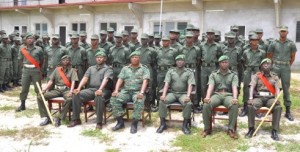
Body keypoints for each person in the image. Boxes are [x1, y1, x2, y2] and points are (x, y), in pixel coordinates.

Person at [68, 51, 113, 129]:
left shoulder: (108, 69)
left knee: (99, 97)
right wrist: (78, 88)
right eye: (97, 57)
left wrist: (100, 89)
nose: (99, 59)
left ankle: (99, 122)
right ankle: (76, 119)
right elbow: (85, 78)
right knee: (76, 94)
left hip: (104, 90)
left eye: (101, 57)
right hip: (91, 89)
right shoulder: (91, 68)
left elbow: (106, 79)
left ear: (104, 59)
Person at [110, 51, 150, 134]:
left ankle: (134, 124)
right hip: (126, 91)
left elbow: (145, 81)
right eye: (133, 57)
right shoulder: (125, 69)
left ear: (139, 58)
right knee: (114, 98)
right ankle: (120, 122)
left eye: (136, 57)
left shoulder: (144, 69)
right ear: (130, 59)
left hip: (137, 92)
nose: (134, 59)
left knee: (139, 101)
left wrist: (142, 92)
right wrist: (116, 90)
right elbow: (120, 80)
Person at [202, 55, 239, 139]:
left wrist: (235, 98)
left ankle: (231, 129)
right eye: (223, 62)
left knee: (234, 105)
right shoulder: (214, 74)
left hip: (228, 95)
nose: (224, 64)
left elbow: (234, 87)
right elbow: (210, 86)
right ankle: (207, 129)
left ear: (228, 63)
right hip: (217, 95)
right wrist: (207, 97)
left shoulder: (233, 75)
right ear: (219, 64)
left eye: (226, 62)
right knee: (206, 105)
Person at [156, 54, 195, 134]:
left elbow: (190, 85)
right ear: (175, 62)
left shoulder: (189, 72)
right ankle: (163, 124)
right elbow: (166, 83)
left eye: (181, 60)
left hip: (183, 93)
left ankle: (185, 125)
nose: (179, 62)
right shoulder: (171, 71)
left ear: (184, 62)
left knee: (188, 103)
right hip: (173, 93)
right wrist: (163, 95)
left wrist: (188, 96)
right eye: (178, 60)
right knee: (162, 102)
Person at [245, 58, 281, 141]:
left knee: (278, 107)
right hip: (259, 98)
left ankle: (274, 130)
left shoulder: (275, 77)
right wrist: (250, 98)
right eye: (264, 64)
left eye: (268, 63)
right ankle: (251, 128)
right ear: (261, 66)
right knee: (250, 106)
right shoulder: (257, 76)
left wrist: (277, 98)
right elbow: (251, 86)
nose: (266, 65)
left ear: (271, 65)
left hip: (270, 98)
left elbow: (278, 88)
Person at [37, 55, 78, 127]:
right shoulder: (57, 69)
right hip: (57, 90)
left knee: (69, 99)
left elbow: (73, 82)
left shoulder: (72, 70)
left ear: (70, 61)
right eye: (64, 60)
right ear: (61, 61)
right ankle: (46, 117)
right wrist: (44, 89)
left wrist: (71, 92)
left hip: (67, 90)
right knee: (40, 96)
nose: (65, 61)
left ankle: (59, 118)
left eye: (67, 60)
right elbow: (51, 81)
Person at [267, 25, 297, 121]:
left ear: (287, 33)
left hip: (285, 67)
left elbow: (293, 57)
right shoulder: (273, 43)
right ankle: (271, 107)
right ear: (279, 32)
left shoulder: (291, 44)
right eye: (281, 31)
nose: (283, 33)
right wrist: (273, 65)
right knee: (272, 86)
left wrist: (286, 65)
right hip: (275, 66)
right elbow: (269, 55)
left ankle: (287, 111)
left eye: (284, 31)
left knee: (285, 88)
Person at [16, 33, 44, 112]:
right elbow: (20, 59)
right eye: (28, 38)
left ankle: (41, 105)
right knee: (24, 88)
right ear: (26, 40)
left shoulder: (39, 49)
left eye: (31, 38)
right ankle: (22, 105)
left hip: (35, 70)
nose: (30, 40)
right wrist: (24, 66)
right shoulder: (22, 49)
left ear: (34, 40)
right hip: (26, 71)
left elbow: (42, 60)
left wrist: (38, 68)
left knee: (38, 88)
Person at [240, 34, 265, 117]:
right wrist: (247, 69)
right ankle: (245, 107)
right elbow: (243, 61)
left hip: (257, 71)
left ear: (258, 41)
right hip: (248, 70)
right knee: (246, 88)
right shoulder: (246, 51)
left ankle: (256, 108)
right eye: (253, 40)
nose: (254, 42)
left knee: (257, 89)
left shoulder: (262, 52)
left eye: (256, 40)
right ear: (250, 41)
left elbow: (263, 63)